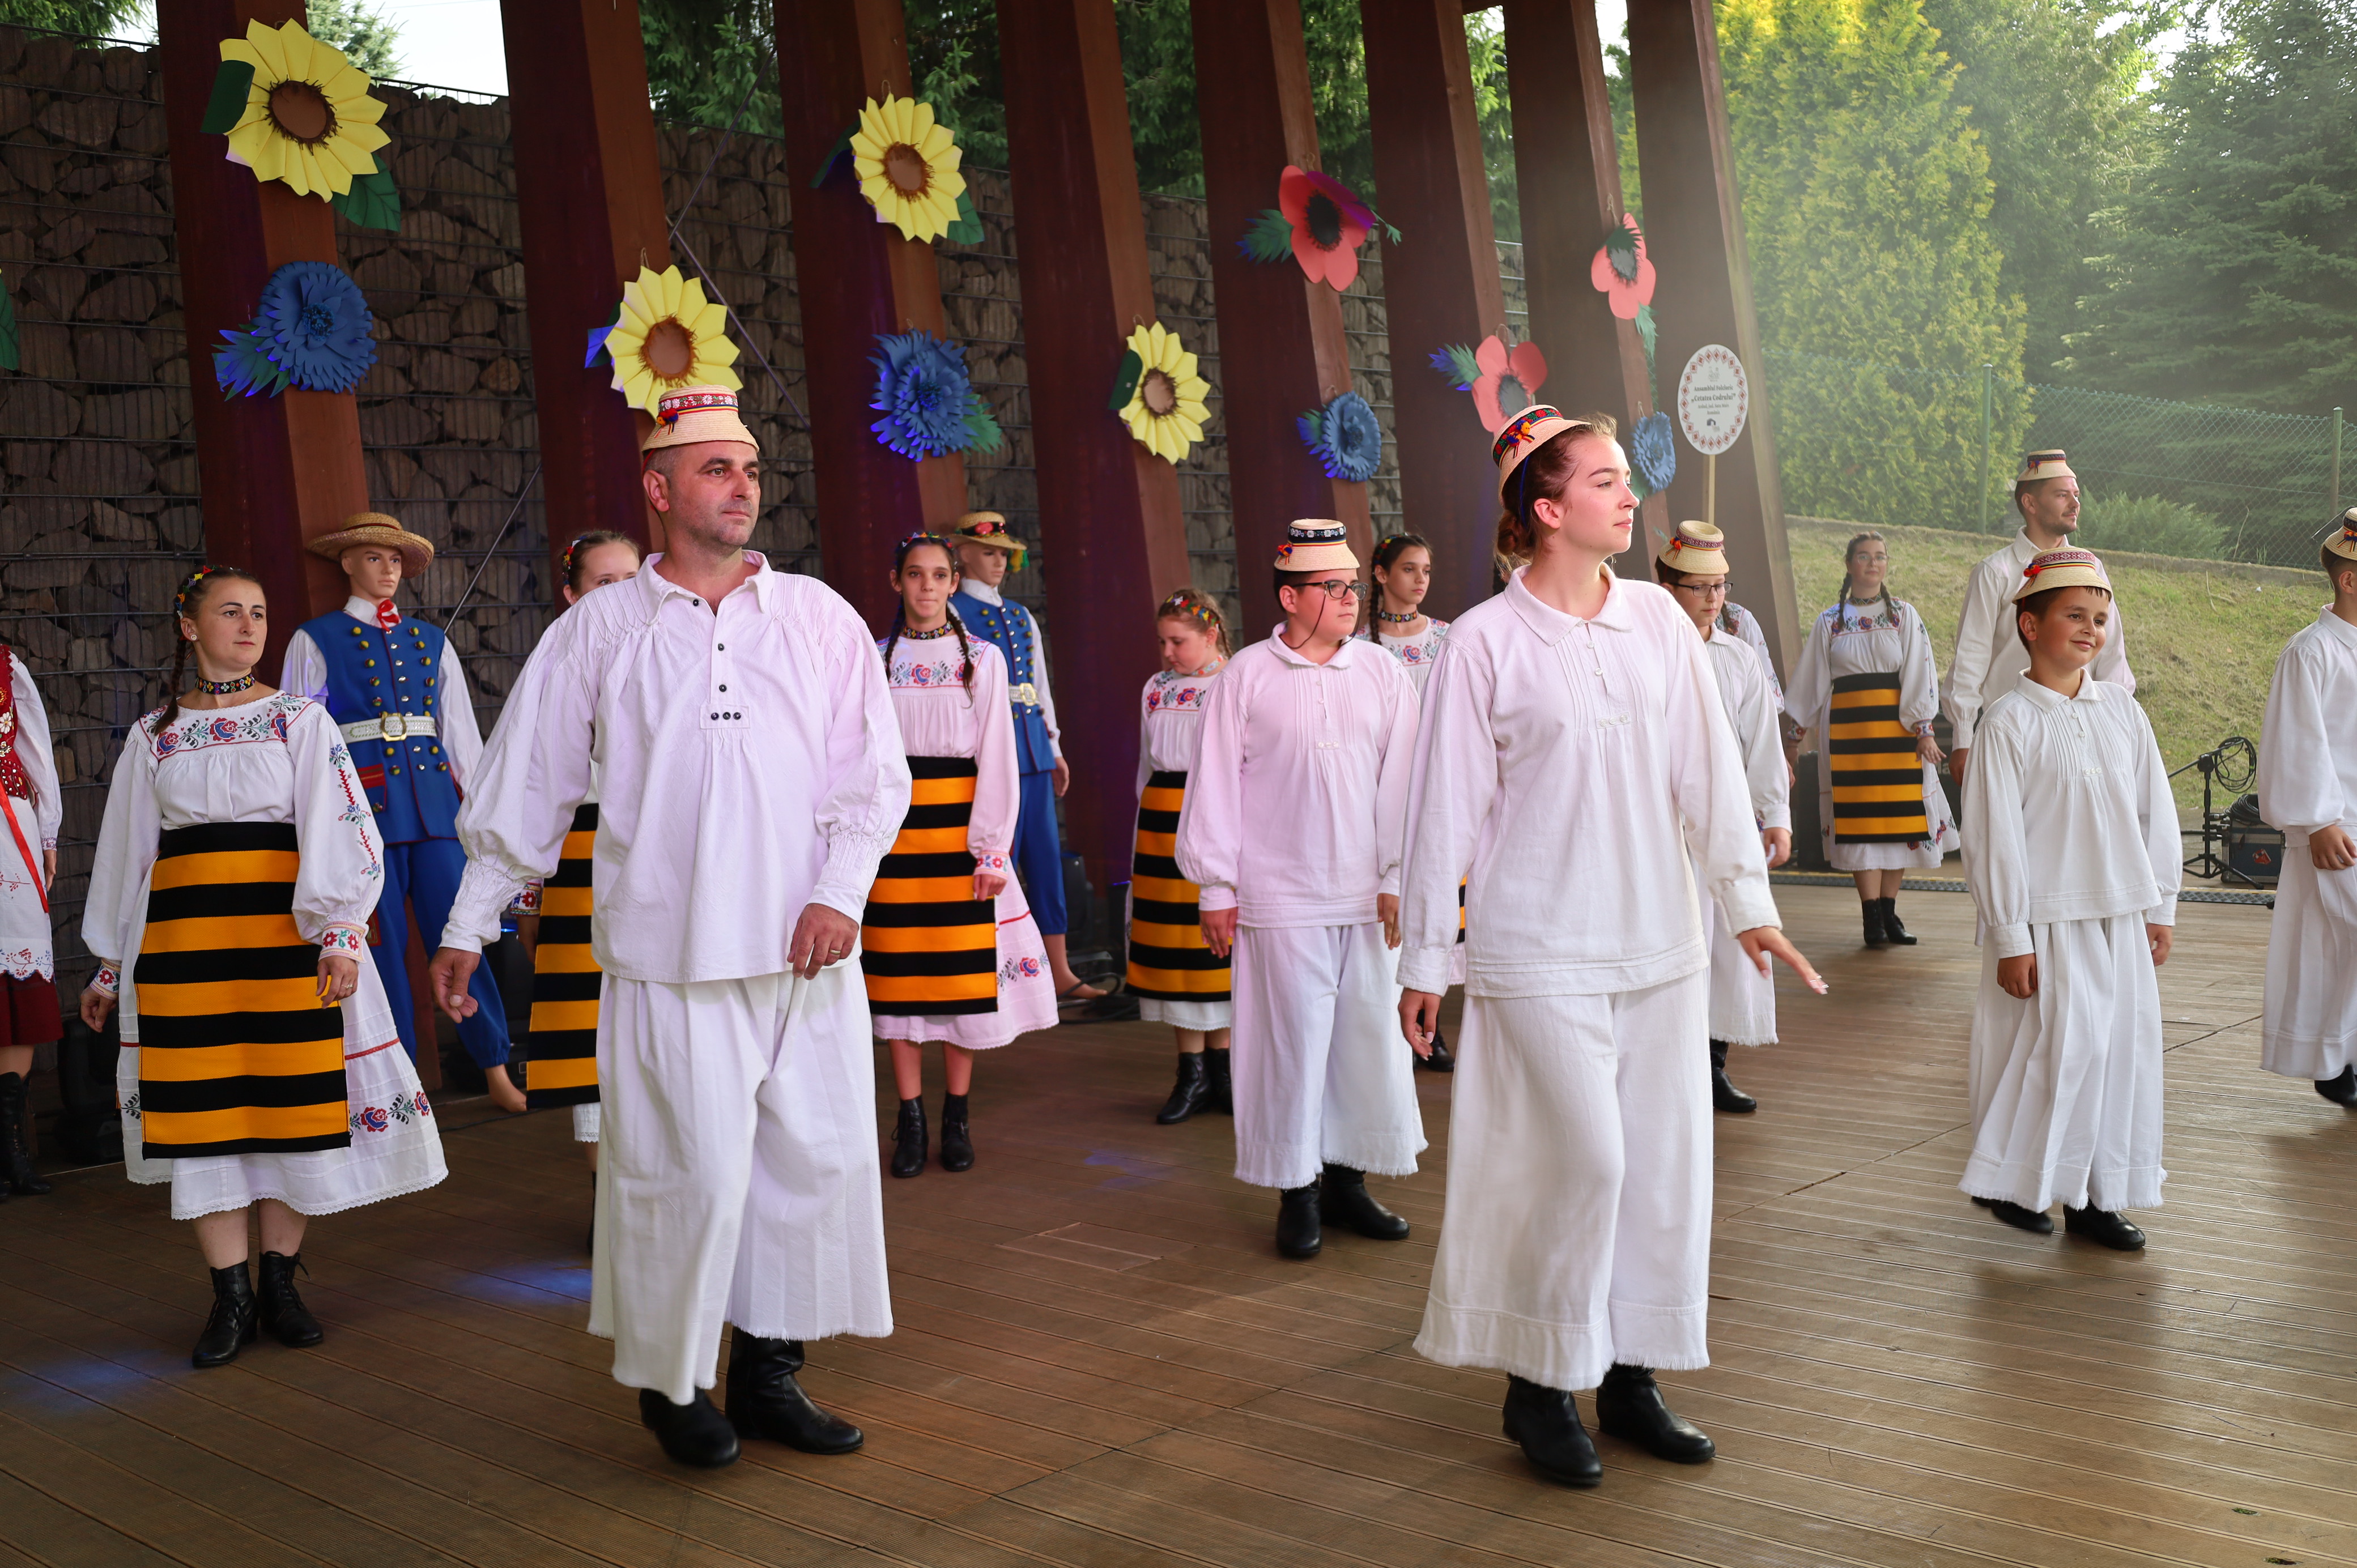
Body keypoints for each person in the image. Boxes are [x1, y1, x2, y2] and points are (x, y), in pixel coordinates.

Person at [428, 386, 909, 1470]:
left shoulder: (818, 615)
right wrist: (468, 919)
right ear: (658, 487)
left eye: (750, 468)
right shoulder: (599, 628)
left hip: (805, 952)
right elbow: (527, 785)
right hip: (669, 951)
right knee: (682, 1174)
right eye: (715, 468)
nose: (743, 487)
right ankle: (673, 1381)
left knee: (814, 1163)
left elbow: (873, 775)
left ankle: (769, 1376)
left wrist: (841, 889)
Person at [1399, 408, 1820, 1489]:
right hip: (1538, 946)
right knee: (1583, 1158)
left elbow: (1708, 771)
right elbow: (1442, 811)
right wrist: (1426, 962)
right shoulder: (1481, 643)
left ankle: (1632, 1376)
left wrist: (1746, 903)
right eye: (1605, 480)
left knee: (1661, 1168)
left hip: (1660, 941)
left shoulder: (1658, 620)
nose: (1631, 496)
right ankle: (1539, 1381)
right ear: (1547, 509)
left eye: (1626, 477)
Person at [80, 565, 446, 1365]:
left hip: (285, 944)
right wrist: (108, 962)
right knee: (205, 1119)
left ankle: (280, 1284)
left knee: (289, 1109)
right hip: (185, 949)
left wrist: (341, 931)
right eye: (230, 612)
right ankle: (231, 1298)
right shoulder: (154, 736)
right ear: (190, 626)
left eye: (259, 612)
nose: (249, 626)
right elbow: (125, 853)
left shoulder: (297, 720)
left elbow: (342, 823)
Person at [1176, 520, 1423, 1260]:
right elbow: (1213, 781)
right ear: (1290, 597)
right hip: (1278, 894)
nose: (1350, 598)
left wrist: (1396, 876)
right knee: (1291, 1047)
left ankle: (1348, 1182)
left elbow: (1405, 783)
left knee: (1365, 1042)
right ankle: (1298, 1190)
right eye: (1332, 587)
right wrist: (1216, 886)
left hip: (1365, 896)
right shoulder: (1246, 675)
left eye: (1353, 585)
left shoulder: (1382, 672)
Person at [1959, 548, 2176, 1250]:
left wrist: (2159, 905)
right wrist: (2009, 935)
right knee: (2056, 1053)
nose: (2090, 630)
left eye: (2099, 619)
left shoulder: (2121, 710)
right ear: (2029, 625)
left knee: (2116, 1053)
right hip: (2045, 921)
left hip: (2119, 913)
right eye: (2074, 615)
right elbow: (1993, 836)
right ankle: (2015, 1181)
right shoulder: (2006, 721)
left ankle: (2094, 1198)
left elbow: (2152, 812)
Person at [282, 514, 513, 1105]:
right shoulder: (315, 638)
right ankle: (398, 1090)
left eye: (394, 560)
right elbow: (301, 739)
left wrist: (482, 813)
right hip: (361, 816)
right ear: (347, 563)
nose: (387, 570)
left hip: (436, 812)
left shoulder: (431, 640)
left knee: (461, 936)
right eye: (373, 557)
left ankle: (495, 1067)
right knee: (376, 955)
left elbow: (461, 735)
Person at [870, 534, 1056, 1177]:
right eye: (914, 574)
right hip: (895, 838)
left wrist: (991, 851)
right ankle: (910, 1117)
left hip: (959, 834)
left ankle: (956, 1116)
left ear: (953, 583)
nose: (926, 586)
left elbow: (997, 757)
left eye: (938, 575)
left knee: (958, 978)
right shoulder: (875, 658)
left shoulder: (982, 658)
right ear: (896, 581)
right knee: (898, 982)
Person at [520, 530, 645, 1242]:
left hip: (660, 852)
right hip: (576, 858)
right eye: (604, 582)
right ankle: (607, 1202)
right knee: (586, 1031)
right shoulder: (554, 666)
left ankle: (667, 1195)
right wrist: (526, 896)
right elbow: (530, 790)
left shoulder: (685, 650)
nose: (622, 594)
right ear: (571, 595)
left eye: (631, 578)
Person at [1656, 521, 1793, 1115]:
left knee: (1729, 944)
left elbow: (1763, 742)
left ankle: (1713, 1065)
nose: (1713, 598)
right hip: (1663, 823)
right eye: (1699, 587)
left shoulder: (1738, 657)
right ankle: (1668, 1068)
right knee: (1674, 938)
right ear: (1667, 588)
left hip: (1729, 819)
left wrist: (1775, 813)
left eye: (1720, 586)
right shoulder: (1645, 653)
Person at [947, 513, 1102, 1002]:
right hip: (989, 755)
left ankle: (1059, 970)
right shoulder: (951, 612)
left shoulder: (1020, 615)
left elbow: (1040, 688)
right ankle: (991, 972)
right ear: (963, 553)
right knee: (998, 860)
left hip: (1033, 750)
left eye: (1004, 554)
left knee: (1046, 858)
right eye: (989, 552)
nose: (999, 562)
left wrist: (1054, 747)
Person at [1785, 531, 1959, 948]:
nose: (1873, 563)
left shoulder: (1903, 615)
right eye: (1864, 557)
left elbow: (1919, 670)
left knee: (1900, 823)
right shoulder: (1831, 621)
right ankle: (1871, 919)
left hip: (1898, 734)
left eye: (1880, 556)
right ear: (1849, 565)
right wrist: (1794, 735)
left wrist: (1923, 729)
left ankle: (1890, 913)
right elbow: (1812, 681)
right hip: (1850, 735)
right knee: (1860, 825)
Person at [1945, 450, 2135, 786]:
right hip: (2011, 731)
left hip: (2082, 729)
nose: (2075, 504)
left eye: (2076, 494)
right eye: (2062, 495)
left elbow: (2111, 652)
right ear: (2030, 503)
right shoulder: (1996, 572)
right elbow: (1971, 657)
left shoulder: (2090, 567)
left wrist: (2115, 724)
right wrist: (1963, 736)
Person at [2256, 510, 2357, 1105]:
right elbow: (2297, 738)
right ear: (2349, 579)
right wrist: (2318, 819)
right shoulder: (2311, 652)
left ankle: (2337, 1058)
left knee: (2338, 950)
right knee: (2330, 946)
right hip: (2336, 825)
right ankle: (2333, 1059)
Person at [1130, 588, 1235, 1125]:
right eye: (1163, 642)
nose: (1168, 652)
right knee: (1173, 951)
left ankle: (1225, 1071)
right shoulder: (1156, 688)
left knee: (1215, 950)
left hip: (1213, 821)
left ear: (1211, 635)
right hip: (1160, 829)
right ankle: (1191, 1073)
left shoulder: (1236, 683)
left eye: (1179, 641)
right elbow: (1146, 766)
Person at [1360, 532, 1461, 1072]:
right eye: (1408, 569)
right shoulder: (1360, 646)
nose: (1421, 580)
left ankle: (1431, 1022)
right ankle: (1387, 1024)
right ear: (1381, 575)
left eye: (1426, 569)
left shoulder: (1447, 639)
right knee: (1389, 903)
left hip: (1438, 783)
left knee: (1434, 895)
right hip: (1379, 789)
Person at [0, 636, 60, 1202]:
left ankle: (10, 1145)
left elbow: (35, 749)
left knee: (20, 987)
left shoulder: (6, 666)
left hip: (7, 829)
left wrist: (47, 834)